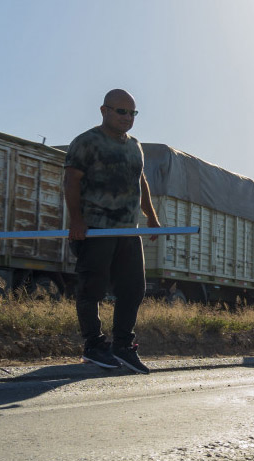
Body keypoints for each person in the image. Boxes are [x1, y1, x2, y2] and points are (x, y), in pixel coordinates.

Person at [63, 88, 161, 374]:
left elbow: (139, 181)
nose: (128, 118)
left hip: (127, 231)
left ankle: (122, 346)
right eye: (121, 111)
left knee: (133, 289)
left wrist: (151, 217)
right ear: (104, 111)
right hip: (96, 229)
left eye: (132, 113)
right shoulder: (87, 142)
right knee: (91, 288)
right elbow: (71, 180)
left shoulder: (135, 146)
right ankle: (93, 345)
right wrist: (77, 221)